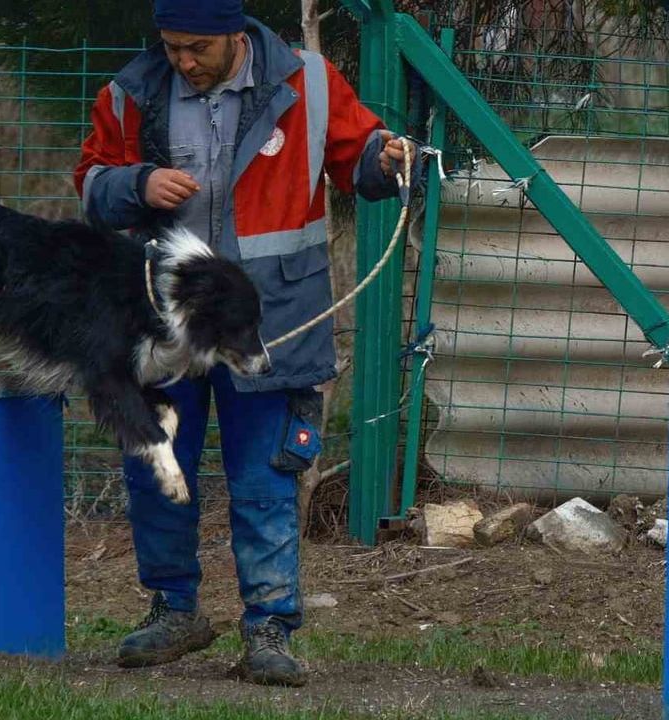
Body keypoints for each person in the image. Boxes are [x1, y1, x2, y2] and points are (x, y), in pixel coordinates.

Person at [72, 0, 416, 687]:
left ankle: (269, 628)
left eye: (196, 48)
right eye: (171, 47)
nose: (182, 61)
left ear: (235, 34)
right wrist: (137, 183)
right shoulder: (130, 93)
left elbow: (359, 162)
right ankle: (175, 611)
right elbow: (91, 184)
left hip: (273, 324)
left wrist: (386, 159)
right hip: (161, 324)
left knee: (265, 481)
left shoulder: (310, 82)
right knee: (156, 470)